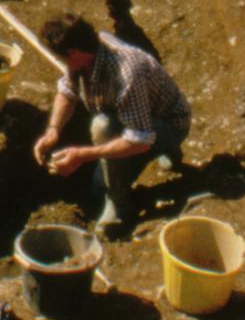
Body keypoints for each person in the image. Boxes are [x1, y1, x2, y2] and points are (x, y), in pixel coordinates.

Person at [32, 13, 192, 236]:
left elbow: (139, 139)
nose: (61, 62)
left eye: (61, 57)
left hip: (170, 123)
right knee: (103, 137)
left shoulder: (126, 73)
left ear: (73, 53)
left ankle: (120, 206)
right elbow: (67, 92)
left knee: (102, 130)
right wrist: (53, 131)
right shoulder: (85, 54)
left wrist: (83, 155)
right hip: (133, 115)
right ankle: (164, 152)